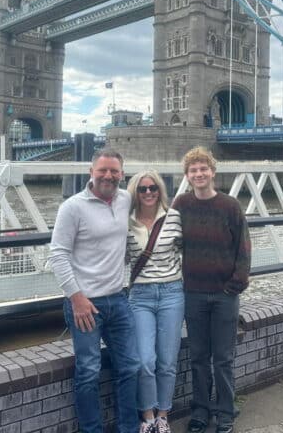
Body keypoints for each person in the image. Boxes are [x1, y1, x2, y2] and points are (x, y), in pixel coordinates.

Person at [48, 149, 140, 433]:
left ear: (121, 175)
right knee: (88, 372)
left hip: (118, 299)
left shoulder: (125, 199)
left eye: (114, 171)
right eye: (103, 170)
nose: (108, 176)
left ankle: (129, 428)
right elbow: (58, 255)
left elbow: (153, 210)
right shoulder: (72, 207)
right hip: (85, 303)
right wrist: (76, 298)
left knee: (131, 367)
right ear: (91, 172)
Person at [172, 147, 251, 433]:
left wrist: (235, 285)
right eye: (193, 170)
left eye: (203, 168)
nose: (199, 174)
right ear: (188, 176)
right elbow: (167, 238)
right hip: (192, 292)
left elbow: (243, 248)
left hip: (223, 295)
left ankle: (226, 411)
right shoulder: (180, 205)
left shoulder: (230, 206)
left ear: (212, 172)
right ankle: (201, 411)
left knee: (223, 358)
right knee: (198, 357)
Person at [126, 171, 184, 433]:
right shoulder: (125, 222)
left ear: (160, 191)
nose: (148, 193)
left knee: (167, 360)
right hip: (141, 296)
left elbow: (189, 250)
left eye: (153, 188)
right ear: (134, 193)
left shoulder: (174, 217)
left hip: (173, 292)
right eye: (142, 189)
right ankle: (147, 416)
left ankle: (163, 416)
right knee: (144, 360)